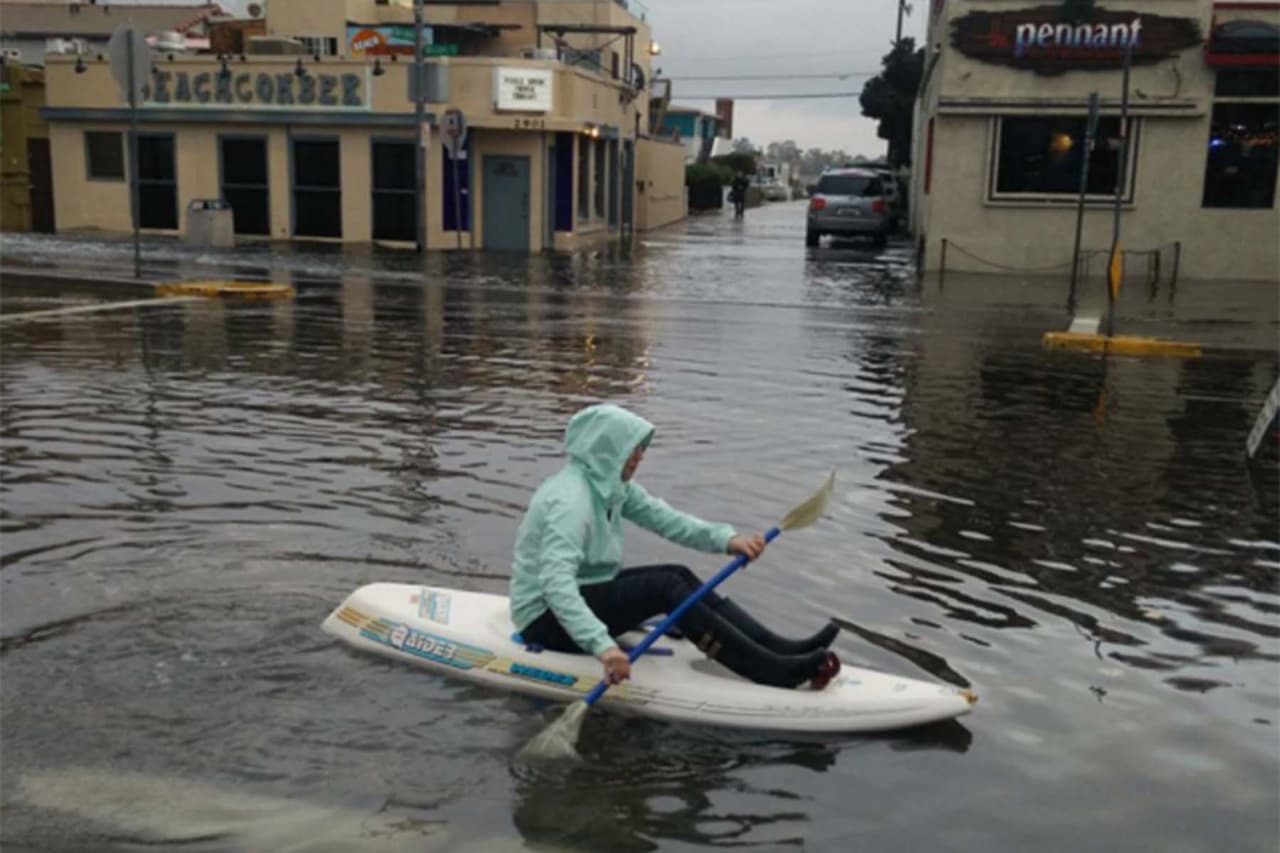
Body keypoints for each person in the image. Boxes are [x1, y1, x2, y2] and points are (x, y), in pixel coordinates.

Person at [509, 403, 840, 690]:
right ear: (608, 450)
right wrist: (604, 647)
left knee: (677, 574)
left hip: (583, 591)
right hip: (545, 620)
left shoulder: (608, 485)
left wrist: (726, 540)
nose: (640, 456)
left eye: (641, 447)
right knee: (664, 588)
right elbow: (556, 585)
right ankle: (772, 670)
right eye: (632, 449)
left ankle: (778, 648)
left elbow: (667, 519)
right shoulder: (571, 502)